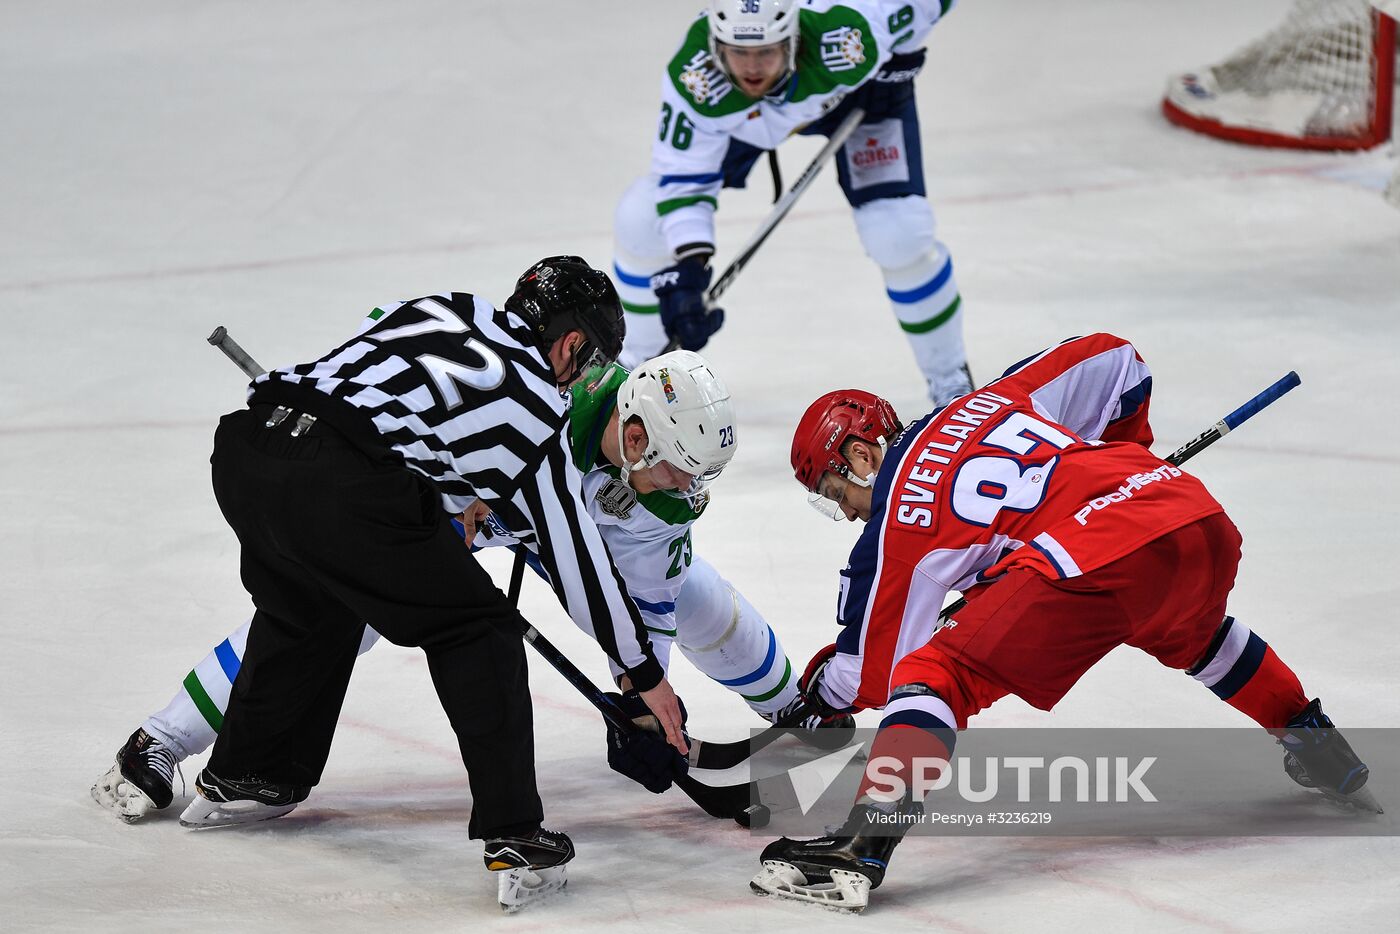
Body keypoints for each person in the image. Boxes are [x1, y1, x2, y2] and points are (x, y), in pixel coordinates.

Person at [116, 255, 686, 909]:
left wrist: (436, 494)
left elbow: (385, 375)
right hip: (340, 483)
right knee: (479, 629)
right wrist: (644, 675)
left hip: (253, 448)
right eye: (588, 366)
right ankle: (516, 837)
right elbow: (579, 562)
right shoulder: (535, 409)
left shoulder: (450, 307)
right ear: (571, 344)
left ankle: (246, 774)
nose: (580, 382)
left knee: (309, 611)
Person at [750, 333, 1378, 911]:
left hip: (1093, 557)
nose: (852, 513)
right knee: (1198, 637)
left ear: (861, 456)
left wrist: (815, 698)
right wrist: (1121, 462)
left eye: (839, 495)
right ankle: (1320, 746)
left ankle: (859, 846)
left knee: (938, 675)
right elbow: (1117, 360)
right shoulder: (983, 401)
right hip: (1189, 513)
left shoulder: (892, 521)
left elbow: (870, 673)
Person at [94, 350, 810, 818]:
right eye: (680, 467)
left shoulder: (654, 494)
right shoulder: (542, 407)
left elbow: (645, 605)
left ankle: (803, 717)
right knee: (334, 612)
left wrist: (644, 702)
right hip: (457, 508)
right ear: (634, 435)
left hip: (556, 520)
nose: (688, 490)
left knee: (697, 596)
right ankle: (160, 739)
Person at [613, 0, 973, 405]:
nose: (752, 68)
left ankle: (951, 384)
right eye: (738, 52)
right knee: (642, 219)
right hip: (753, 120)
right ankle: (632, 368)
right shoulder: (695, 76)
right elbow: (682, 182)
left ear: (793, 39)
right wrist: (690, 269)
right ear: (716, 45)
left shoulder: (851, 32)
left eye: (766, 51)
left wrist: (902, 59)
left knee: (899, 234)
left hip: (859, 94)